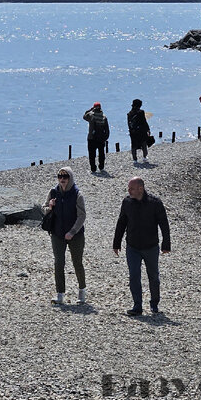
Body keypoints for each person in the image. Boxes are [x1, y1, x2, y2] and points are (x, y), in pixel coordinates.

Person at [113, 177, 171, 316]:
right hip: (132, 247)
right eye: (128, 188)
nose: (129, 191)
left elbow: (164, 224)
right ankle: (137, 305)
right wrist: (116, 243)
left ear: (141, 188)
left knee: (153, 277)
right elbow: (121, 223)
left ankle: (154, 303)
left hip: (151, 246)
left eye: (131, 188)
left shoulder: (155, 203)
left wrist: (166, 244)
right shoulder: (127, 202)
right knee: (134, 275)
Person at [42, 167, 87, 306]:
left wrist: (72, 232)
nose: (62, 180)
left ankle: (82, 291)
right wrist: (49, 207)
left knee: (77, 263)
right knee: (58, 263)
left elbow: (82, 215)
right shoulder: (53, 192)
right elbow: (43, 210)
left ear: (70, 178)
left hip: (75, 235)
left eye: (65, 177)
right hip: (57, 233)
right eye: (60, 177)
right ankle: (60, 294)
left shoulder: (77, 194)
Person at [83, 102, 110, 173]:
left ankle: (93, 169)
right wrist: (105, 138)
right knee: (101, 153)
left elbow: (84, 116)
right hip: (101, 138)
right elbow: (107, 129)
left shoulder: (91, 115)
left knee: (92, 154)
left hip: (92, 138)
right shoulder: (104, 117)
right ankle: (101, 167)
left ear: (94, 108)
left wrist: (90, 109)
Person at [127, 99, 152, 164]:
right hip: (141, 131)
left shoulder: (129, 114)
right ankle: (144, 157)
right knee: (144, 144)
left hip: (133, 132)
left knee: (134, 145)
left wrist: (130, 131)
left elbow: (129, 124)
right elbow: (144, 122)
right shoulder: (141, 112)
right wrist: (148, 129)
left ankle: (135, 159)